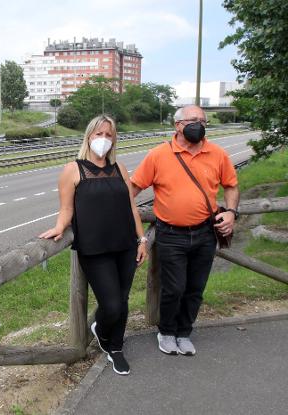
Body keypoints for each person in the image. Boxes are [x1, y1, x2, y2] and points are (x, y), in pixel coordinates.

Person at [40, 115, 147, 375]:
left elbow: (132, 207)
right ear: (89, 137)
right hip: (95, 249)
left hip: (126, 245)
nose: (104, 140)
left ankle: (116, 347)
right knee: (111, 304)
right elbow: (66, 209)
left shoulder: (120, 168)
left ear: (114, 139)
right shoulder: (73, 170)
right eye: (99, 134)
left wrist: (142, 239)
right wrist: (59, 227)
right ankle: (99, 326)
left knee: (122, 300)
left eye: (109, 135)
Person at [130, 105, 240, 356]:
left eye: (203, 120)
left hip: (205, 233)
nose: (199, 124)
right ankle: (166, 332)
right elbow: (133, 189)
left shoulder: (217, 153)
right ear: (177, 125)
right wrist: (132, 224)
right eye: (193, 120)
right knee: (174, 287)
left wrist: (231, 212)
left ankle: (184, 332)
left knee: (195, 288)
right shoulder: (158, 155)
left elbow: (231, 186)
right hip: (171, 234)